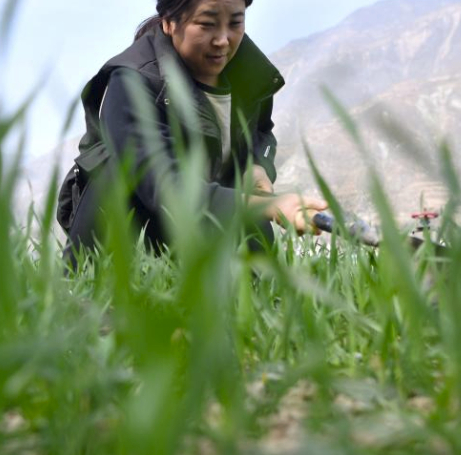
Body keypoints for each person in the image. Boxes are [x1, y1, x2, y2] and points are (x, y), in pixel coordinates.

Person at [57, 0, 328, 265]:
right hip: (129, 235)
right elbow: (165, 187)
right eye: (206, 24)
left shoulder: (249, 72)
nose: (222, 40)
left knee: (258, 264)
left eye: (235, 22)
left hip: (204, 221)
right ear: (169, 22)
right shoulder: (132, 82)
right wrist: (267, 205)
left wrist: (257, 165)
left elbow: (262, 132)